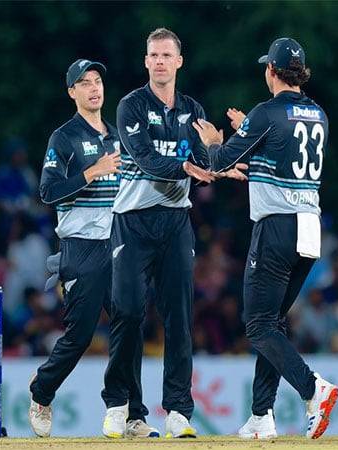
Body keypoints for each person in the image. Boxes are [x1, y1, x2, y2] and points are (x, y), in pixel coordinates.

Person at [193, 37, 338, 440]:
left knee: (257, 325)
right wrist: (248, 133)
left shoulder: (266, 112)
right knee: (272, 322)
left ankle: (313, 389)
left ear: (271, 71)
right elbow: (279, 156)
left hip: (277, 225)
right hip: (310, 226)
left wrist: (215, 142)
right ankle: (261, 416)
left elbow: (219, 161)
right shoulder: (317, 114)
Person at [100, 28, 220, 439]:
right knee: (129, 311)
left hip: (174, 222)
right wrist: (186, 168)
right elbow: (147, 160)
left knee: (180, 317)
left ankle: (179, 412)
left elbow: (204, 165)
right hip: (132, 220)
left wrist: (217, 154)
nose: (160, 61)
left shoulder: (193, 108)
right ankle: (123, 406)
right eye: (153, 55)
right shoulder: (131, 106)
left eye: (167, 55)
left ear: (179, 61)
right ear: (146, 61)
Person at [29, 59, 157, 438]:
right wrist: (90, 172)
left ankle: (133, 414)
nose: (93, 88)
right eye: (84, 83)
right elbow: (48, 192)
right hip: (81, 247)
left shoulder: (120, 137)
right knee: (81, 335)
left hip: (119, 244)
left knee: (130, 324)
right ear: (72, 92)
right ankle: (41, 392)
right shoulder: (64, 137)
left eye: (97, 80)